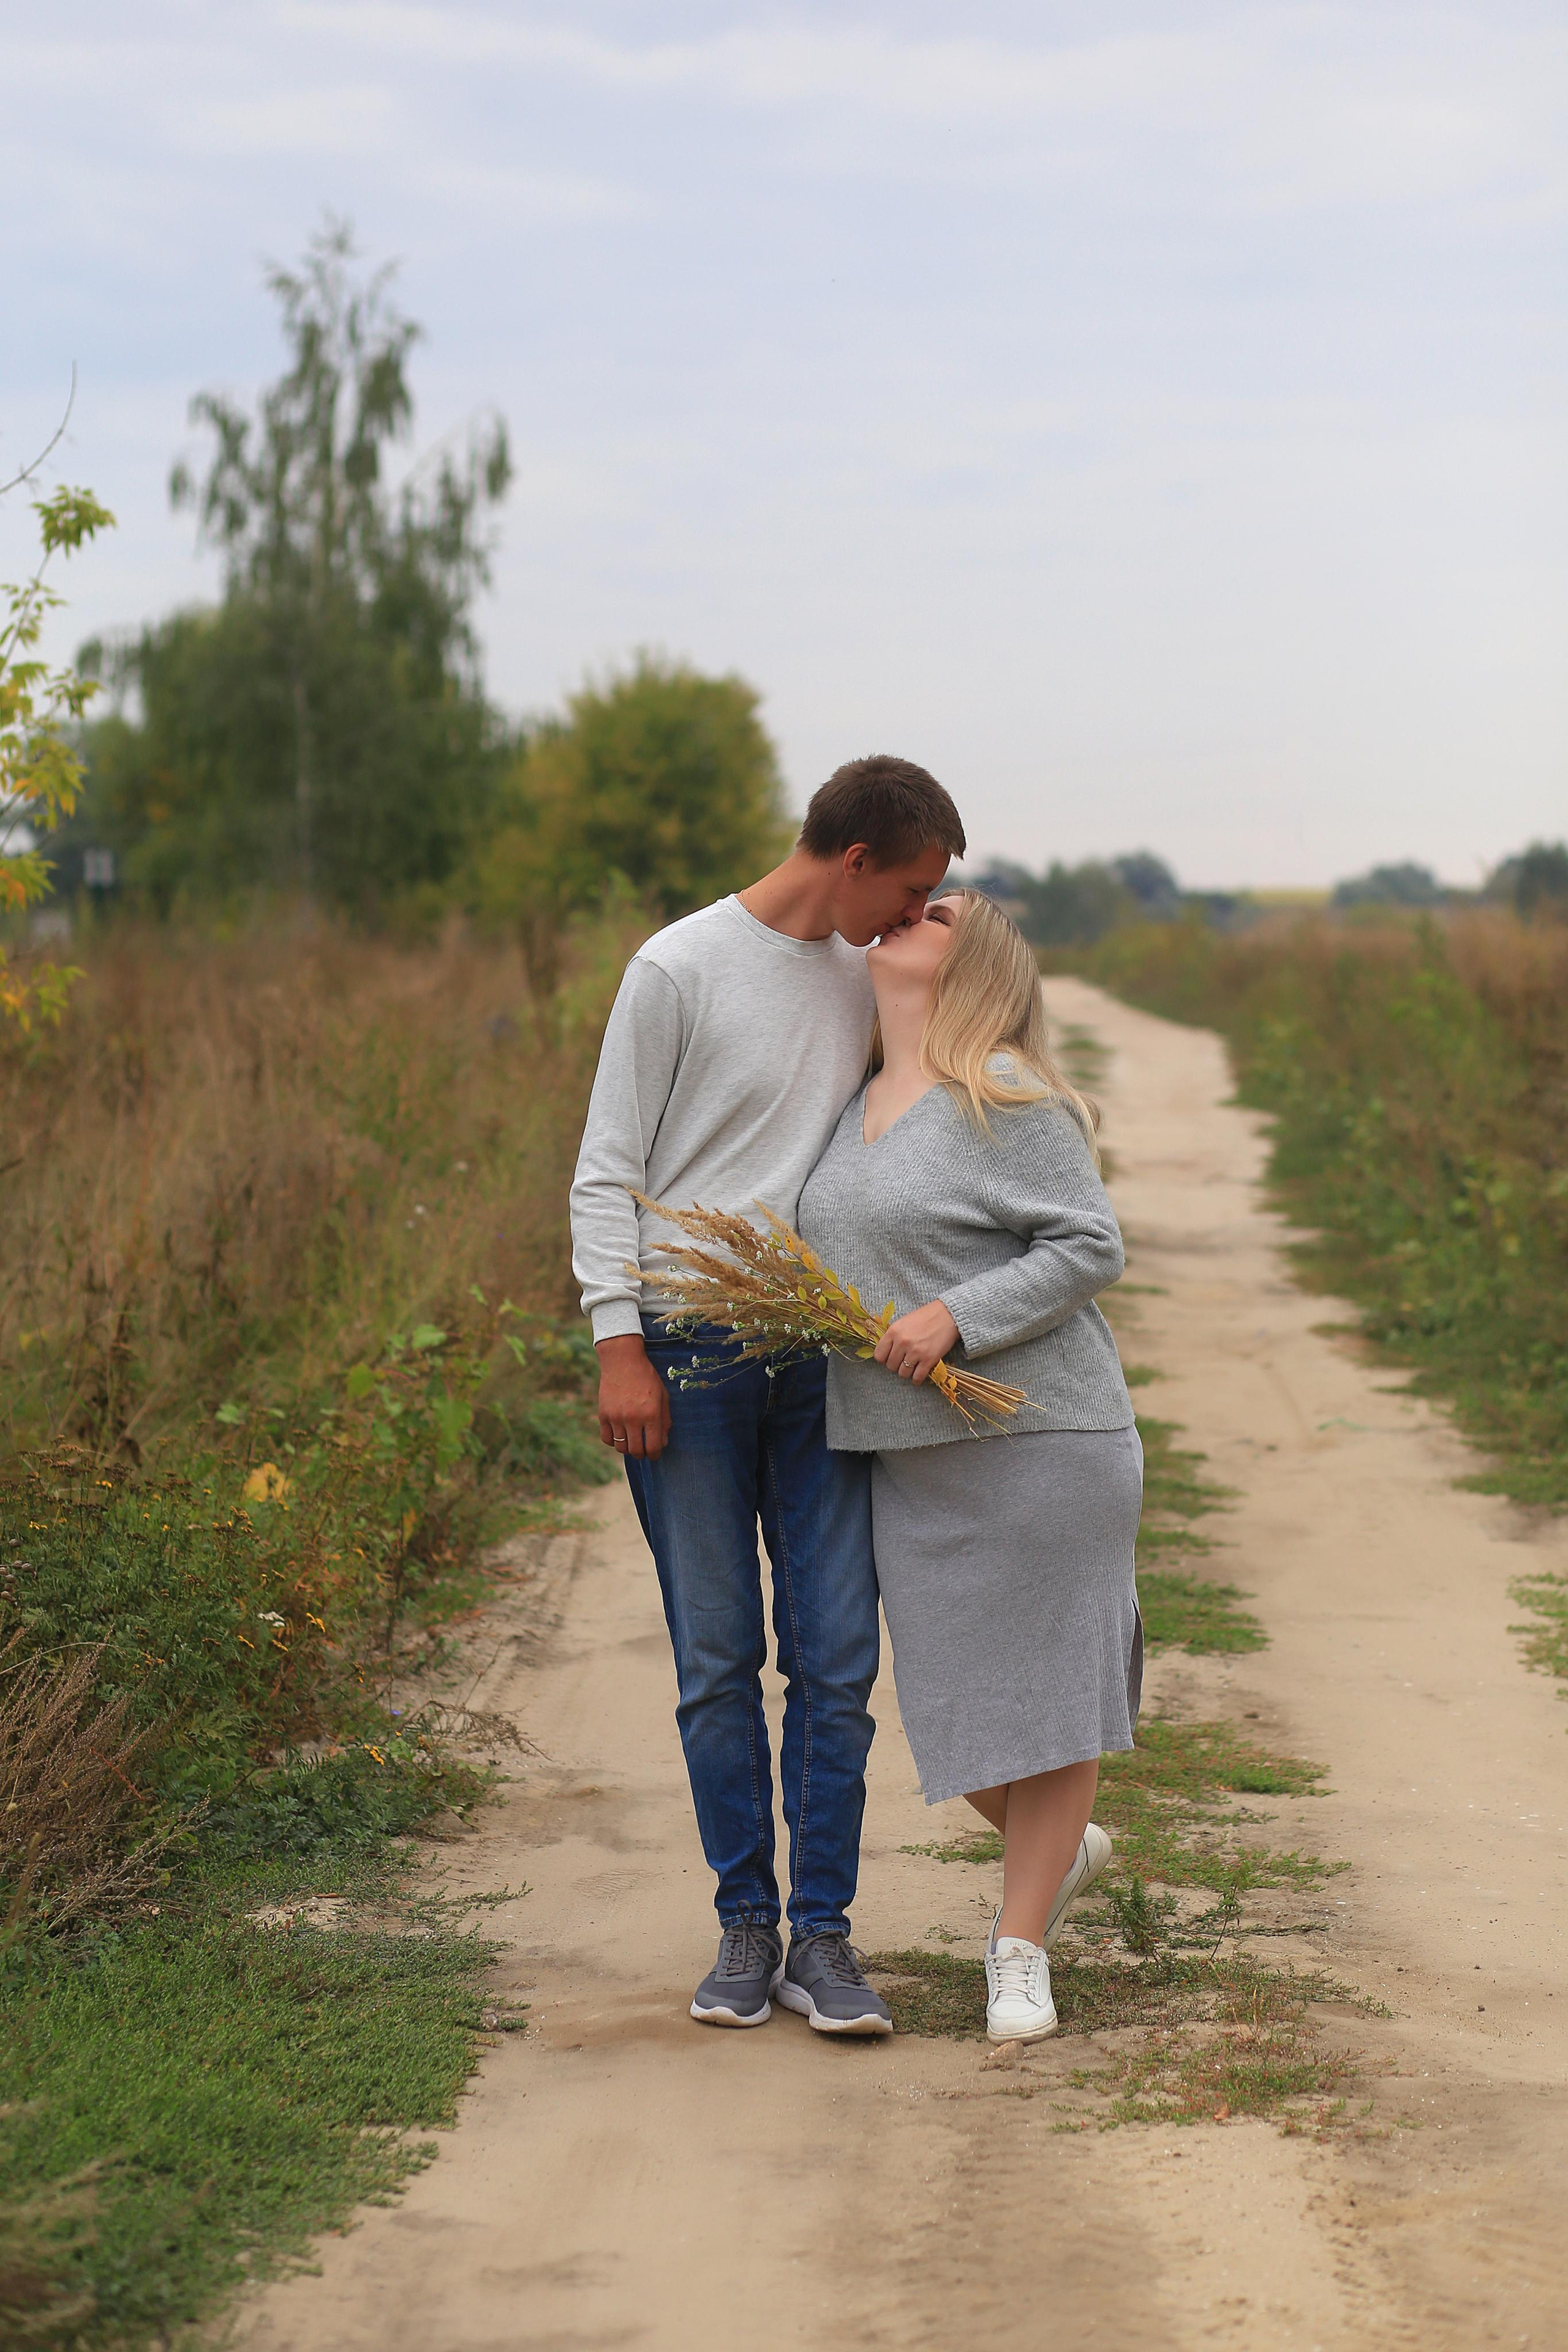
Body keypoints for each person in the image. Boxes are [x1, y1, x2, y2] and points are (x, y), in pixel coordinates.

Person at [569, 755, 964, 2035]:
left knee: (838, 1656)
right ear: (852, 859)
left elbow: (934, 1098)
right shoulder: (676, 968)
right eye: (907, 891)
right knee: (716, 1659)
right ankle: (745, 1928)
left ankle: (825, 1942)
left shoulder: (875, 973)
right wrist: (615, 1340)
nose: (911, 916)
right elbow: (604, 1172)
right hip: (684, 1351)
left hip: (820, 1356)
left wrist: (947, 951)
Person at [797, 888, 1139, 2044]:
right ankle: (1059, 1851)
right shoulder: (845, 1106)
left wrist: (954, 1314)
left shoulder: (1007, 1091)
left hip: (1044, 1440)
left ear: (976, 964)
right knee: (959, 1716)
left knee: (1048, 1704)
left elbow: (1091, 1243)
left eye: (938, 914)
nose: (906, 914)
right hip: (909, 1459)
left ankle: (1018, 1950)